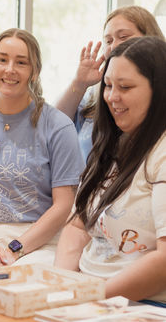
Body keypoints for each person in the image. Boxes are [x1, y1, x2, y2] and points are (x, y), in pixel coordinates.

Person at [0, 28, 84, 266]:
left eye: (21, 62)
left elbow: (63, 206)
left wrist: (15, 248)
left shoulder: (58, 126)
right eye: (2, 60)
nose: (10, 69)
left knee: (12, 286)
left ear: (35, 71)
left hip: (39, 240)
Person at [55, 36, 166, 304]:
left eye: (125, 87)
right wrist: (58, 285)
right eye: (107, 86)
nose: (112, 97)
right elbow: (77, 226)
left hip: (139, 305)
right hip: (87, 293)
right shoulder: (111, 144)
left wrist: (87, 296)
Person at [56, 6, 165, 162]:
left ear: (149, 39)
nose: (114, 46)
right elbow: (52, 127)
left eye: (123, 37)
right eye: (108, 41)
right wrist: (79, 84)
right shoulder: (97, 94)